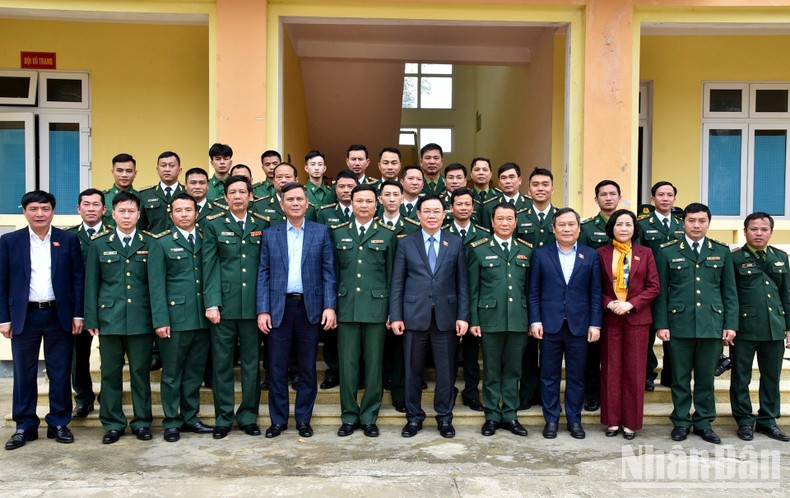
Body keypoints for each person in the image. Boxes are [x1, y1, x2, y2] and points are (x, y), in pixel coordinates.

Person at [1, 190, 84, 450]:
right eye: (34, 209)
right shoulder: (9, 241)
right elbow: (2, 282)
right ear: (24, 212)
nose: (40, 214)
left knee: (60, 372)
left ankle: (59, 422)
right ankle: (25, 425)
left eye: (45, 209)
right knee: (24, 373)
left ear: (53, 211)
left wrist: (78, 313)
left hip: (58, 313)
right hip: (24, 315)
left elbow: (77, 279)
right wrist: (4, 319)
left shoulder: (67, 240)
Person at [257, 182, 337, 438]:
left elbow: (329, 273)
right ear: (281, 204)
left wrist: (329, 306)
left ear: (307, 203)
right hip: (279, 309)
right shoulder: (271, 234)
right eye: (289, 199)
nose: (294, 203)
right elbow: (263, 273)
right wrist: (263, 310)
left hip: (309, 308)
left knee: (307, 368)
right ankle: (278, 421)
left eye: (299, 199)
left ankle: (304, 419)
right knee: (277, 368)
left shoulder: (321, 232)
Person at [654, 203, 738, 444]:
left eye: (702, 220)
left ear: (708, 223)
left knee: (705, 378)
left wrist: (730, 325)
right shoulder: (668, 251)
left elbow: (729, 292)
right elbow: (662, 292)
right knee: (679, 378)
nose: (697, 225)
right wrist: (662, 324)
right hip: (679, 324)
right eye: (692, 220)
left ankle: (703, 422)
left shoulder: (721, 251)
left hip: (711, 324)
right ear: (684, 222)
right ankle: (681, 421)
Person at [390, 195, 470, 439]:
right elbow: (397, 282)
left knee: (446, 372)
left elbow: (462, 283)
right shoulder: (406, 243)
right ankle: (414, 418)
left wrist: (463, 316)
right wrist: (395, 315)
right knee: (412, 371)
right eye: (427, 211)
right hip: (413, 316)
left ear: (444, 214)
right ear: (418, 215)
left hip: (446, 316)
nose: (432, 215)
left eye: (437, 211)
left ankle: (444, 418)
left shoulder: (455, 243)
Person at [202, 175, 270, 439]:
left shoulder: (262, 225)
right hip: (224, 307)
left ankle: (248, 416)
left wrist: (266, 306)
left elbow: (267, 268)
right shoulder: (214, 226)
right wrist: (212, 302)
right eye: (233, 192)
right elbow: (210, 267)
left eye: (243, 191)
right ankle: (223, 417)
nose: (238, 196)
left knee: (253, 365)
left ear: (251, 196)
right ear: (225, 197)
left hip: (254, 308)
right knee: (222, 365)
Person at [84, 191, 154, 444]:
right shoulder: (100, 244)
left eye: (131, 211)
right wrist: (91, 319)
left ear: (138, 215)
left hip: (141, 319)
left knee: (139, 372)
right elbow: (92, 284)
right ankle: (113, 423)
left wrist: (157, 320)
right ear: (112, 214)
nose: (126, 216)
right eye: (121, 211)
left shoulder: (149, 243)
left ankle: (142, 421)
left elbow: (154, 285)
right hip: (110, 319)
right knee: (110, 373)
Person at [529, 207, 602, 440]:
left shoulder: (591, 255)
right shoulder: (541, 254)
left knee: (576, 376)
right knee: (548, 376)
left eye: (571, 224)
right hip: (549, 325)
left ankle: (574, 419)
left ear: (579, 229)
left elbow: (596, 293)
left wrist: (595, 324)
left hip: (579, 326)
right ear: (554, 228)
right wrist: (535, 320)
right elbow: (534, 292)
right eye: (562, 224)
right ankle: (551, 419)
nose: (567, 228)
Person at [148, 193, 214, 442]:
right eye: (179, 210)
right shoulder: (161, 242)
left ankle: (190, 417)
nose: (184, 214)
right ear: (171, 214)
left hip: (202, 318)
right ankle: (171, 421)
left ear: (197, 213)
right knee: (173, 373)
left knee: (194, 373)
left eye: (189, 210)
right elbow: (156, 285)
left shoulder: (206, 239)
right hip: (174, 320)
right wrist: (161, 320)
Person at [331, 184, 395, 437]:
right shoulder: (337, 233)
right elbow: (333, 275)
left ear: (376, 204)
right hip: (346, 308)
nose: (364, 205)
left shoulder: (387, 235)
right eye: (359, 201)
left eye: (369, 201)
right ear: (352, 203)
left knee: (374, 366)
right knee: (347, 366)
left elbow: (392, 277)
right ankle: (348, 416)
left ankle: (369, 416)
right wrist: (331, 307)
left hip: (376, 310)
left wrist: (393, 311)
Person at [467, 202, 532, 436]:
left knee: (514, 370)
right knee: (492, 370)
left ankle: (511, 415)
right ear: (492, 222)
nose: (505, 223)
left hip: (518, 319)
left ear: (516, 222)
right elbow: (473, 289)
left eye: (509, 219)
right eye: (500, 219)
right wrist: (474, 320)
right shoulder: (478, 249)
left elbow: (530, 290)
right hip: (489, 318)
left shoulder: (526, 249)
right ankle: (492, 415)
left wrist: (532, 320)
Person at [597, 209, 660, 439]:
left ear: (635, 228)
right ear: (611, 228)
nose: (623, 228)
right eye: (619, 224)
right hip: (611, 318)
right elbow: (595, 287)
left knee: (634, 371)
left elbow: (654, 287)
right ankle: (612, 421)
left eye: (628, 224)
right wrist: (609, 303)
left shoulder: (645, 253)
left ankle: (631, 423)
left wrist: (631, 304)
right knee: (611, 370)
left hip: (636, 319)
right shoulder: (601, 253)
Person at [729, 212, 790, 442]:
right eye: (754, 229)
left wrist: (788, 327)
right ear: (745, 231)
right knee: (741, 377)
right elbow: (730, 295)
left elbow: (787, 294)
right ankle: (744, 420)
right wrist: (729, 326)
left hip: (774, 327)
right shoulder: (734, 258)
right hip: (744, 328)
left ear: (770, 232)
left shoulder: (781, 257)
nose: (759, 233)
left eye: (764, 229)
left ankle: (768, 420)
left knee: (771, 377)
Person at [376, 179, 420, 412]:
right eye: (387, 195)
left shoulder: (413, 228)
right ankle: (378, 386)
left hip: (406, 298)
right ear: (379, 199)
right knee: (377, 349)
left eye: (396, 194)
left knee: (403, 350)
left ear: (403, 199)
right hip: (376, 297)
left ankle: (400, 392)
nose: (392, 199)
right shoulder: (372, 225)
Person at [443, 187, 489, 412]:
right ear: (451, 208)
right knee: (447, 350)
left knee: (471, 351)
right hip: (446, 301)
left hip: (474, 300)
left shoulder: (483, 235)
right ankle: (448, 390)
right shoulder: (441, 233)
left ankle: (471, 392)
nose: (463, 208)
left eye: (467, 204)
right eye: (458, 204)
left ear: (473, 207)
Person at [578, 179, 622, 412]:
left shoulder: (629, 224)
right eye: (603, 194)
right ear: (596, 199)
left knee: (616, 354)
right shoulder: (586, 228)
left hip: (623, 301)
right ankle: (592, 393)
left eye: (612, 193)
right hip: (595, 298)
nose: (608, 197)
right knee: (592, 352)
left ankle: (614, 395)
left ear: (619, 197)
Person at [138, 151, 184, 372]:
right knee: (154, 301)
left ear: (179, 169)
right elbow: (140, 230)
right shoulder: (145, 196)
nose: (167, 169)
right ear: (157, 169)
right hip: (152, 257)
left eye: (172, 165)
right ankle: (156, 351)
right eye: (163, 165)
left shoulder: (187, 194)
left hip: (182, 258)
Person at [65, 188, 109, 419]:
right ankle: (83, 398)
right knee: (78, 355)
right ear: (78, 208)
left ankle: (108, 397)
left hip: (110, 305)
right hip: (79, 307)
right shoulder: (68, 237)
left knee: (110, 355)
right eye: (86, 204)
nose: (91, 209)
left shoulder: (113, 234)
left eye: (95, 204)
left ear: (104, 209)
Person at [638, 181, 684, 391]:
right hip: (649, 285)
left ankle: (671, 373)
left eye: (669, 195)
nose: (665, 198)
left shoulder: (683, 224)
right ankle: (648, 373)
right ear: (652, 199)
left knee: (673, 331)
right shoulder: (643, 224)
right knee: (647, 332)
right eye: (661, 195)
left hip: (676, 285)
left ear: (674, 198)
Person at [517, 167, 556, 411]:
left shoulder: (563, 217)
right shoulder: (518, 217)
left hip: (554, 292)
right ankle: (528, 393)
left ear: (552, 188)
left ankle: (547, 394)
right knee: (528, 346)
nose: (540, 188)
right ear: (528, 189)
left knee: (551, 347)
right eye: (536, 184)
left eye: (545, 184)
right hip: (523, 287)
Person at [251, 162, 316, 224]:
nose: (283, 180)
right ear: (273, 181)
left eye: (288, 177)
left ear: (296, 180)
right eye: (279, 177)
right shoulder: (259, 206)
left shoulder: (309, 208)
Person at [481, 162, 532, 230]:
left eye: (511, 177)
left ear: (520, 180)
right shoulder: (489, 206)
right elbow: (487, 235)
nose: (508, 181)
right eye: (503, 178)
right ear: (499, 182)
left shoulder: (531, 204)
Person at [102, 153, 138, 227]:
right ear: (112, 172)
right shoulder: (102, 198)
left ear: (135, 173)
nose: (124, 175)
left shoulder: (142, 197)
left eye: (129, 171)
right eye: (120, 170)